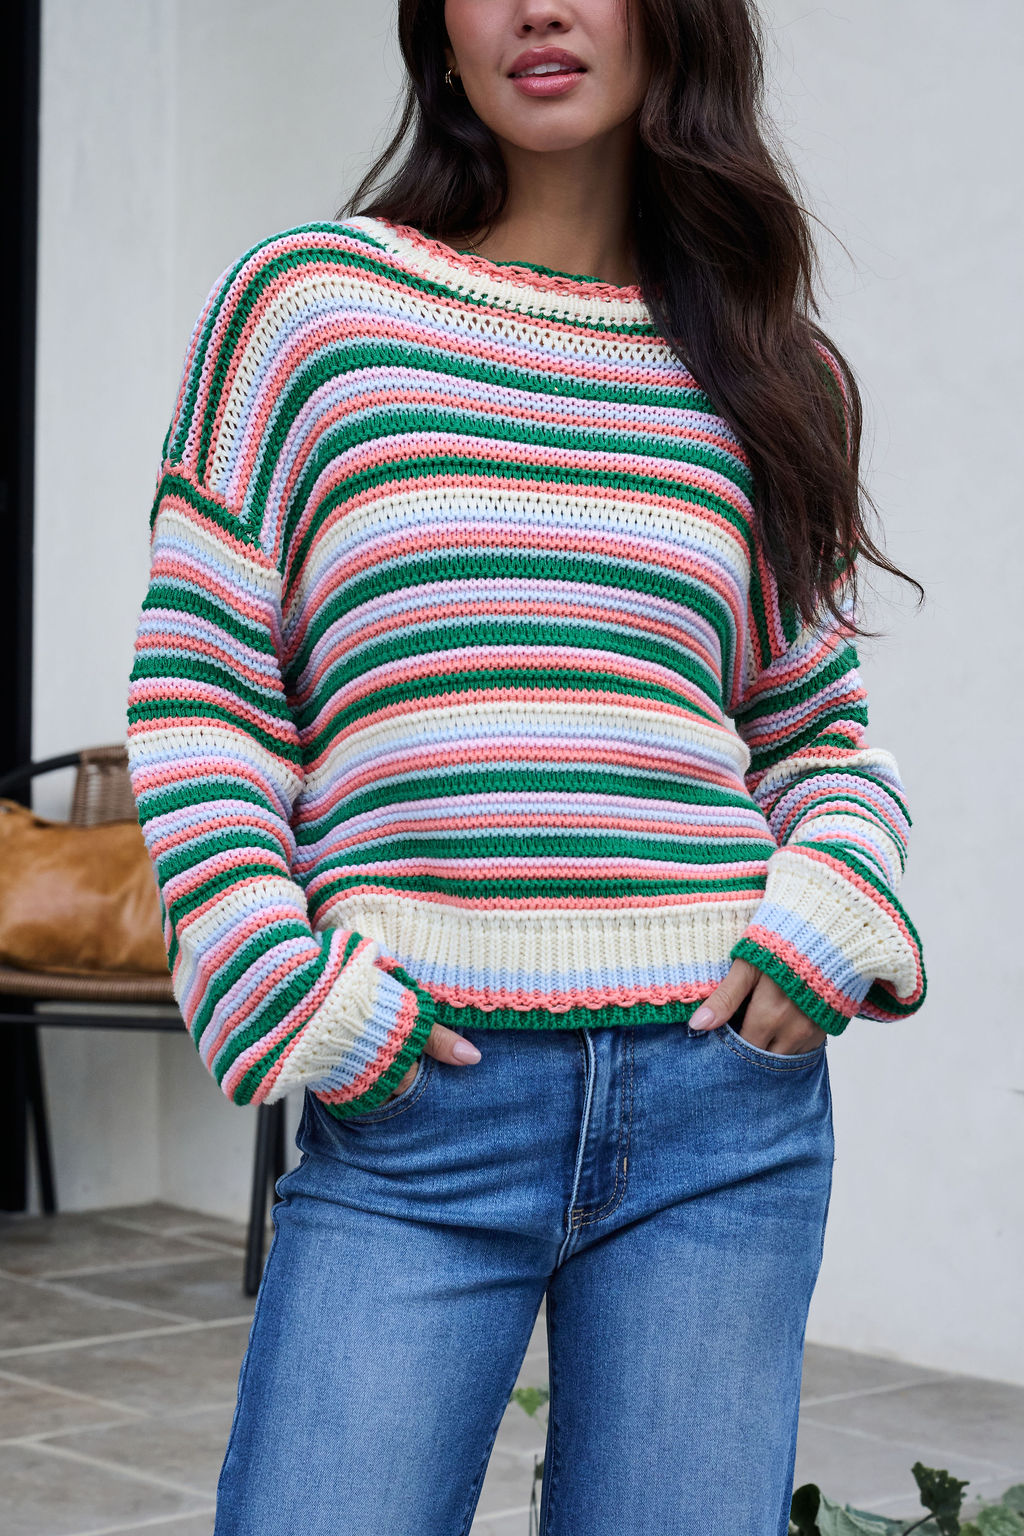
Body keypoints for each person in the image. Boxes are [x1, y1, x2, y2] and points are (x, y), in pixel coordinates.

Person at [125, 0, 927, 1531]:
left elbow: (812, 726)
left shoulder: (769, 368)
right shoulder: (307, 309)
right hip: (419, 1101)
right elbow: (205, 694)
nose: (541, 8)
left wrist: (837, 890)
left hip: (722, 1112)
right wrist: (277, 987)